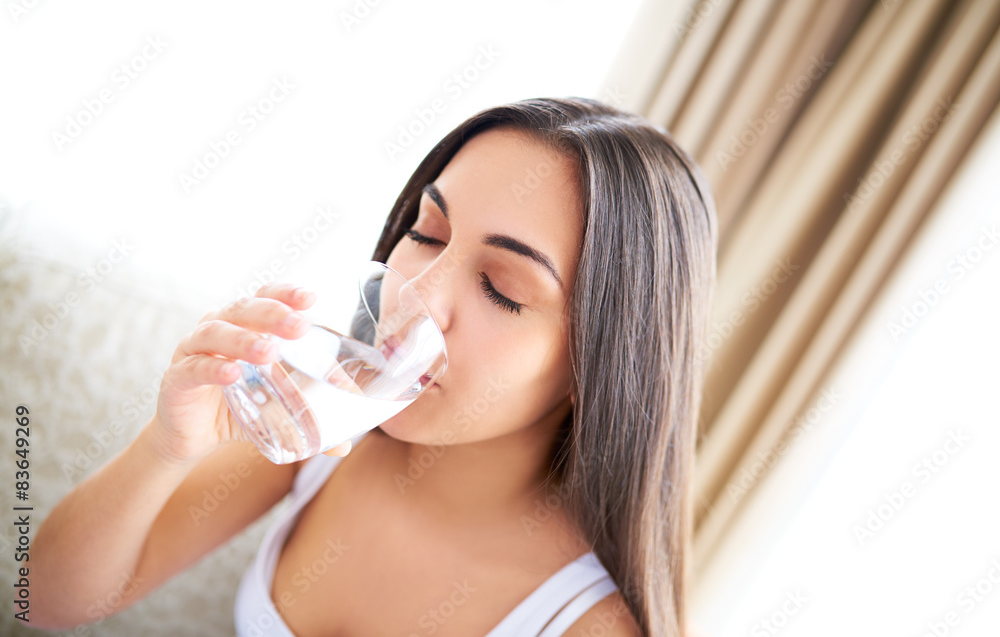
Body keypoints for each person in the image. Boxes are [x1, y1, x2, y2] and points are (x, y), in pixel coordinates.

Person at [29, 97, 718, 636]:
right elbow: (47, 598)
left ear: (596, 365)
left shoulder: (583, 622)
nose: (415, 294)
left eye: (502, 287)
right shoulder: (323, 429)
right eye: (427, 232)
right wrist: (164, 447)